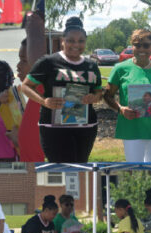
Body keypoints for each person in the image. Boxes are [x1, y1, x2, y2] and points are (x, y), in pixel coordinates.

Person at [21, 17, 103, 162]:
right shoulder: (48, 62)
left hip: (86, 125)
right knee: (63, 166)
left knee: (81, 165)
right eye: (71, 40)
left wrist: (94, 97)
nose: (76, 44)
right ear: (63, 41)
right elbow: (25, 86)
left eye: (80, 41)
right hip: (54, 126)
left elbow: (98, 91)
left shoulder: (91, 65)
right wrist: (44, 101)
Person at [104, 29, 151, 162]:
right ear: (131, 46)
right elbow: (107, 95)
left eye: (146, 45)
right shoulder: (120, 69)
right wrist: (120, 109)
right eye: (137, 45)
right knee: (135, 170)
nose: (141, 49)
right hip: (131, 128)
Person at [17, 11, 46, 162]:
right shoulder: (33, 93)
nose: (18, 66)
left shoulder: (44, 87)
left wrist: (34, 24)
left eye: (23, 60)